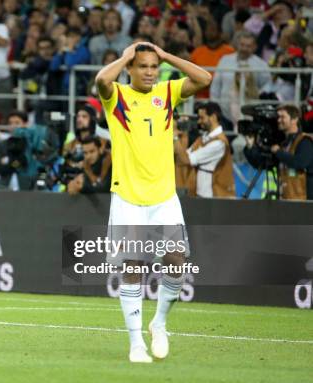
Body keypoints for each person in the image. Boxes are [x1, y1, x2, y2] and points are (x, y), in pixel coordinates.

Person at [95, 42, 211, 363]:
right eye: (142, 66)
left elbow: (203, 79)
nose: (149, 72)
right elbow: (101, 81)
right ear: (131, 68)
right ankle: (135, 344)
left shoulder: (168, 92)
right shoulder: (117, 96)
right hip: (128, 197)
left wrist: (165, 54)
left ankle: (159, 322)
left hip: (163, 197)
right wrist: (123, 57)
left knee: (176, 262)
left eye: (153, 67)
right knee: (133, 268)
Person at [244, 104, 313, 200]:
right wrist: (250, 147)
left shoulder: (305, 141)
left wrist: (279, 152)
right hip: (286, 199)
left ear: (294, 119)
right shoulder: (283, 144)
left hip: (304, 201)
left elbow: (300, 162)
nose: (278, 120)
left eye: (282, 117)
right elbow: (262, 164)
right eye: (278, 117)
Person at [174, 102, 236, 198]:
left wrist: (174, 137)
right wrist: (182, 136)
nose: (199, 122)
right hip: (200, 195)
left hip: (215, 198)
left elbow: (186, 160)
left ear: (213, 117)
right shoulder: (202, 139)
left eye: (202, 117)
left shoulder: (219, 143)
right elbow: (182, 157)